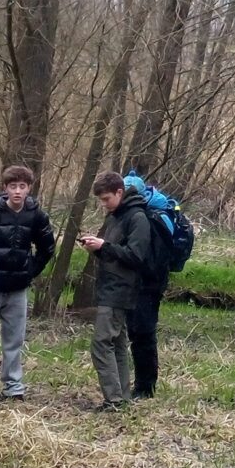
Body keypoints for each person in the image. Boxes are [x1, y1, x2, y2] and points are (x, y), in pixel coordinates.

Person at [78, 172, 155, 410]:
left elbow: (135, 256)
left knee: (101, 344)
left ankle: (112, 399)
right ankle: (122, 397)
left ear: (120, 192)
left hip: (121, 290)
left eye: (107, 199)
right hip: (110, 286)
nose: (104, 204)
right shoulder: (116, 215)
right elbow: (114, 253)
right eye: (101, 200)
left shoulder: (137, 218)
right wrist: (98, 248)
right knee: (118, 344)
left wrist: (105, 246)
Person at [0, 164, 57, 400]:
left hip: (18, 288)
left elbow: (47, 248)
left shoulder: (37, 216)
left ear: (29, 188)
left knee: (14, 340)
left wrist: (30, 271)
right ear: (5, 188)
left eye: (22, 186)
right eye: (13, 186)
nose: (17, 191)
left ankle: (13, 385)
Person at [118, 173, 174, 398]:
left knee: (143, 334)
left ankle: (145, 387)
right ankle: (143, 385)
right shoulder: (148, 214)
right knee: (139, 333)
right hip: (149, 282)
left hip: (147, 284)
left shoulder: (146, 218)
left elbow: (145, 257)